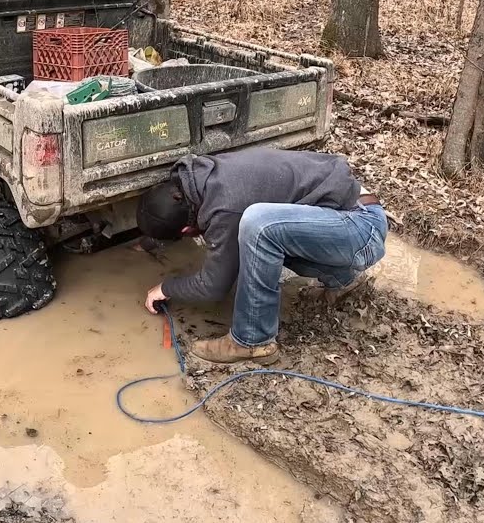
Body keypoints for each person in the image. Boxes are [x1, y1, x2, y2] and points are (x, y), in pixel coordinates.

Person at [137, 148, 387, 365]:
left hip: (361, 229)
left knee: (258, 226)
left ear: (186, 231)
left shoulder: (226, 206)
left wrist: (167, 287)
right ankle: (344, 281)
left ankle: (251, 341)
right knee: (262, 240)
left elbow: (213, 286)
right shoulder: (204, 177)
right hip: (355, 214)